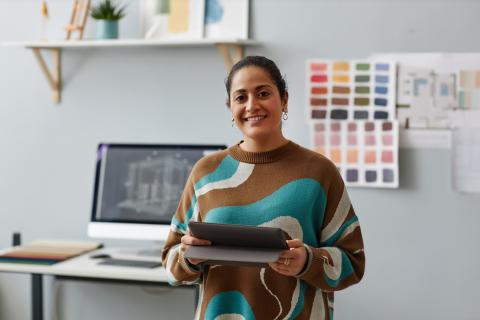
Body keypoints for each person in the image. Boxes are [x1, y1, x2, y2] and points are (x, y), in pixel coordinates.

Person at [162, 56, 365, 320]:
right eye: (240, 97)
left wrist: (307, 260)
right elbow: (170, 264)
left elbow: (354, 263)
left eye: (263, 93)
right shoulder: (206, 172)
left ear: (284, 100)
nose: (252, 105)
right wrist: (188, 257)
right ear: (230, 108)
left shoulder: (319, 172)